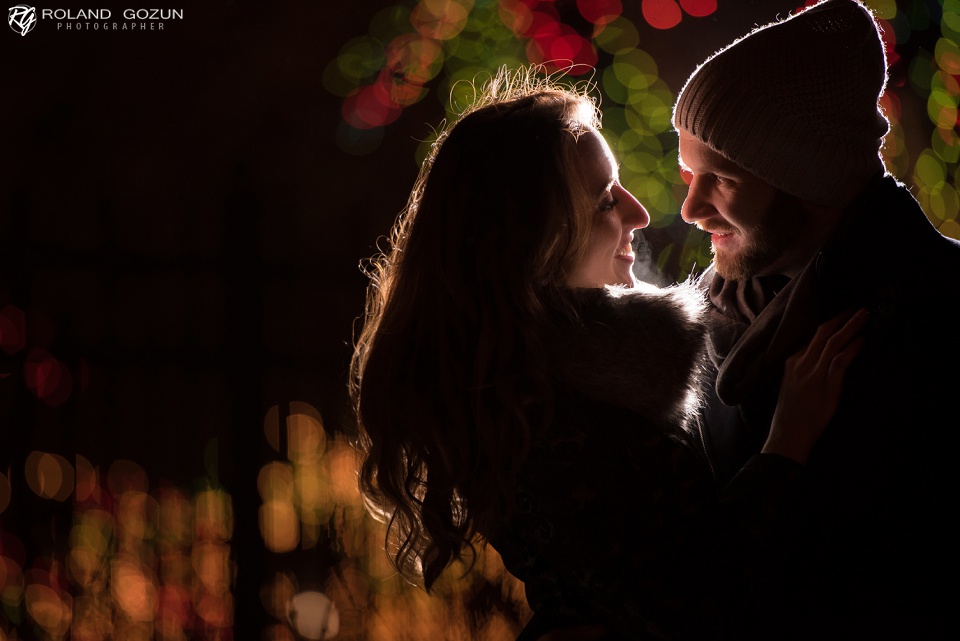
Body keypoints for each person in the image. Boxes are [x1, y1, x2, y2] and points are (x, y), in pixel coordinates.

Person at [350, 66, 865, 640]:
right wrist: (787, 444)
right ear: (533, 243)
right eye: (602, 202)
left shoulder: (592, 368)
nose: (639, 213)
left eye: (617, 187)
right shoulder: (539, 421)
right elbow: (705, 604)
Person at [671, 0, 960, 638]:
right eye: (688, 174)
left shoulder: (931, 316)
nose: (691, 208)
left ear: (806, 176)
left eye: (721, 179)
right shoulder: (717, 308)